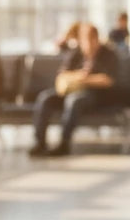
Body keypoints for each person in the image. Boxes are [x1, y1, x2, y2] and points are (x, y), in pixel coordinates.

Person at [29, 23, 123, 157]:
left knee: (74, 100)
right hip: (70, 91)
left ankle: (64, 143)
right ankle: (40, 143)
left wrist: (85, 79)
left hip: (96, 95)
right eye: (85, 40)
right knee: (45, 98)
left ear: (97, 39)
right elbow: (62, 75)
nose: (89, 44)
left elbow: (108, 80)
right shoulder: (76, 53)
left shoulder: (108, 54)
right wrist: (79, 76)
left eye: (92, 39)